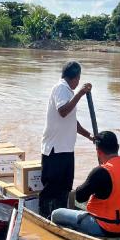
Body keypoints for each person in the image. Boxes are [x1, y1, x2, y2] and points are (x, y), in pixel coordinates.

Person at [51, 131, 120, 236]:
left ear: (98, 152)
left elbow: (80, 197)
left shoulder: (100, 171)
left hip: (107, 228)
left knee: (56, 214)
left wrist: (88, 183)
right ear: (117, 147)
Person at [39, 61, 94, 218]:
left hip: (67, 149)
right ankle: (44, 217)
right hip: (55, 149)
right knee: (51, 188)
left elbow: (72, 121)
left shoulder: (68, 92)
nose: (78, 82)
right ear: (75, 78)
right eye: (78, 78)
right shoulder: (61, 88)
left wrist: (89, 135)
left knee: (65, 187)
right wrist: (81, 93)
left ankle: (60, 217)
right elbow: (63, 111)